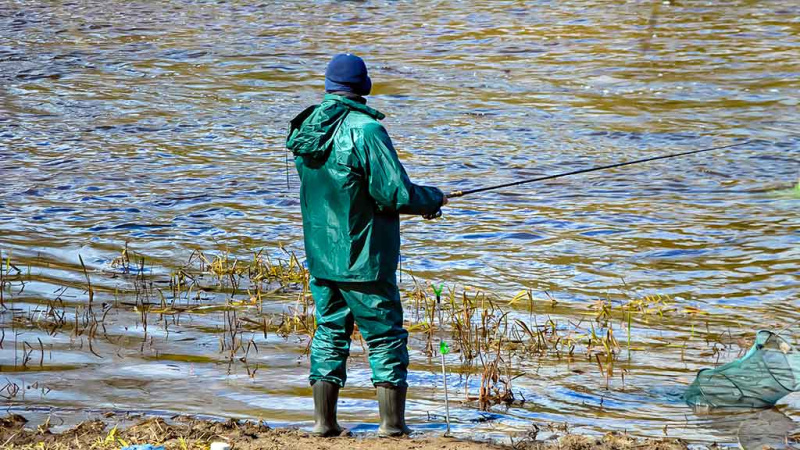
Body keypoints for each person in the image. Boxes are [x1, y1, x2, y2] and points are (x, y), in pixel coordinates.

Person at [286, 53, 447, 437]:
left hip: (322, 258)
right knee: (385, 336)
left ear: (328, 86)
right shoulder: (366, 130)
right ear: (364, 86)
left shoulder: (307, 127)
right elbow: (396, 193)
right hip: (364, 258)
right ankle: (392, 428)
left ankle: (323, 425)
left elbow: (353, 189)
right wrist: (434, 198)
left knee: (329, 331)